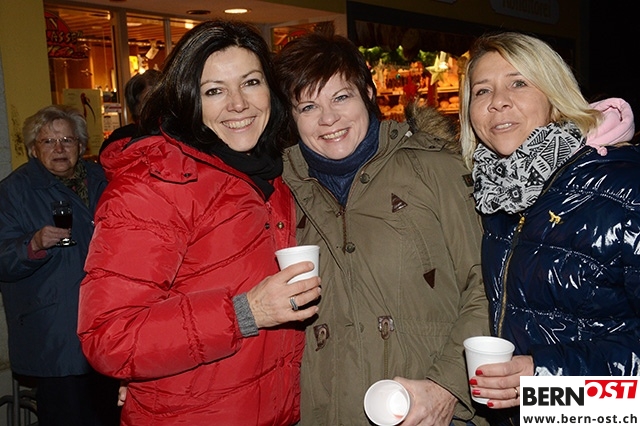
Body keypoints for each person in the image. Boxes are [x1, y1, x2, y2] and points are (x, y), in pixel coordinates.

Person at [77, 20, 322, 425]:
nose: (238, 104)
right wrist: (246, 312)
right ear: (187, 98)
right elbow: (108, 337)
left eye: (251, 82)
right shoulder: (155, 186)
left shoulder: (275, 178)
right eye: (214, 91)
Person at [274, 33, 490, 426]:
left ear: (368, 94)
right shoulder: (280, 190)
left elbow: (487, 286)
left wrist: (448, 387)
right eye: (308, 106)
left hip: (429, 413)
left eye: (341, 97)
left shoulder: (434, 168)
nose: (328, 118)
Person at [459, 31, 640, 423]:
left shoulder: (626, 188)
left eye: (518, 83)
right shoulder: (495, 193)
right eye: (482, 90)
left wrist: (546, 378)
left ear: (554, 94)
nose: (497, 101)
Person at [0, 104, 120, 426]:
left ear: (81, 145)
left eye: (67, 140)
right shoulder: (14, 191)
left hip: (108, 322)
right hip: (53, 331)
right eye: (48, 141)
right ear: (33, 149)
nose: (59, 149)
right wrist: (33, 245)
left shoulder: (103, 180)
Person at [99, 69, 161, 155]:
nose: (158, 105)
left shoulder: (175, 135)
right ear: (136, 107)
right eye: (150, 100)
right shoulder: (120, 141)